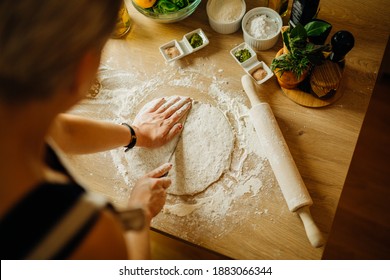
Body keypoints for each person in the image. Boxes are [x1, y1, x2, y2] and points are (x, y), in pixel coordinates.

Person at [0, 0, 192, 259]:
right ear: (83, 70)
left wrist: (136, 133)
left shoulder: (15, 107)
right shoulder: (82, 233)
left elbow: (61, 132)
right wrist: (139, 213)